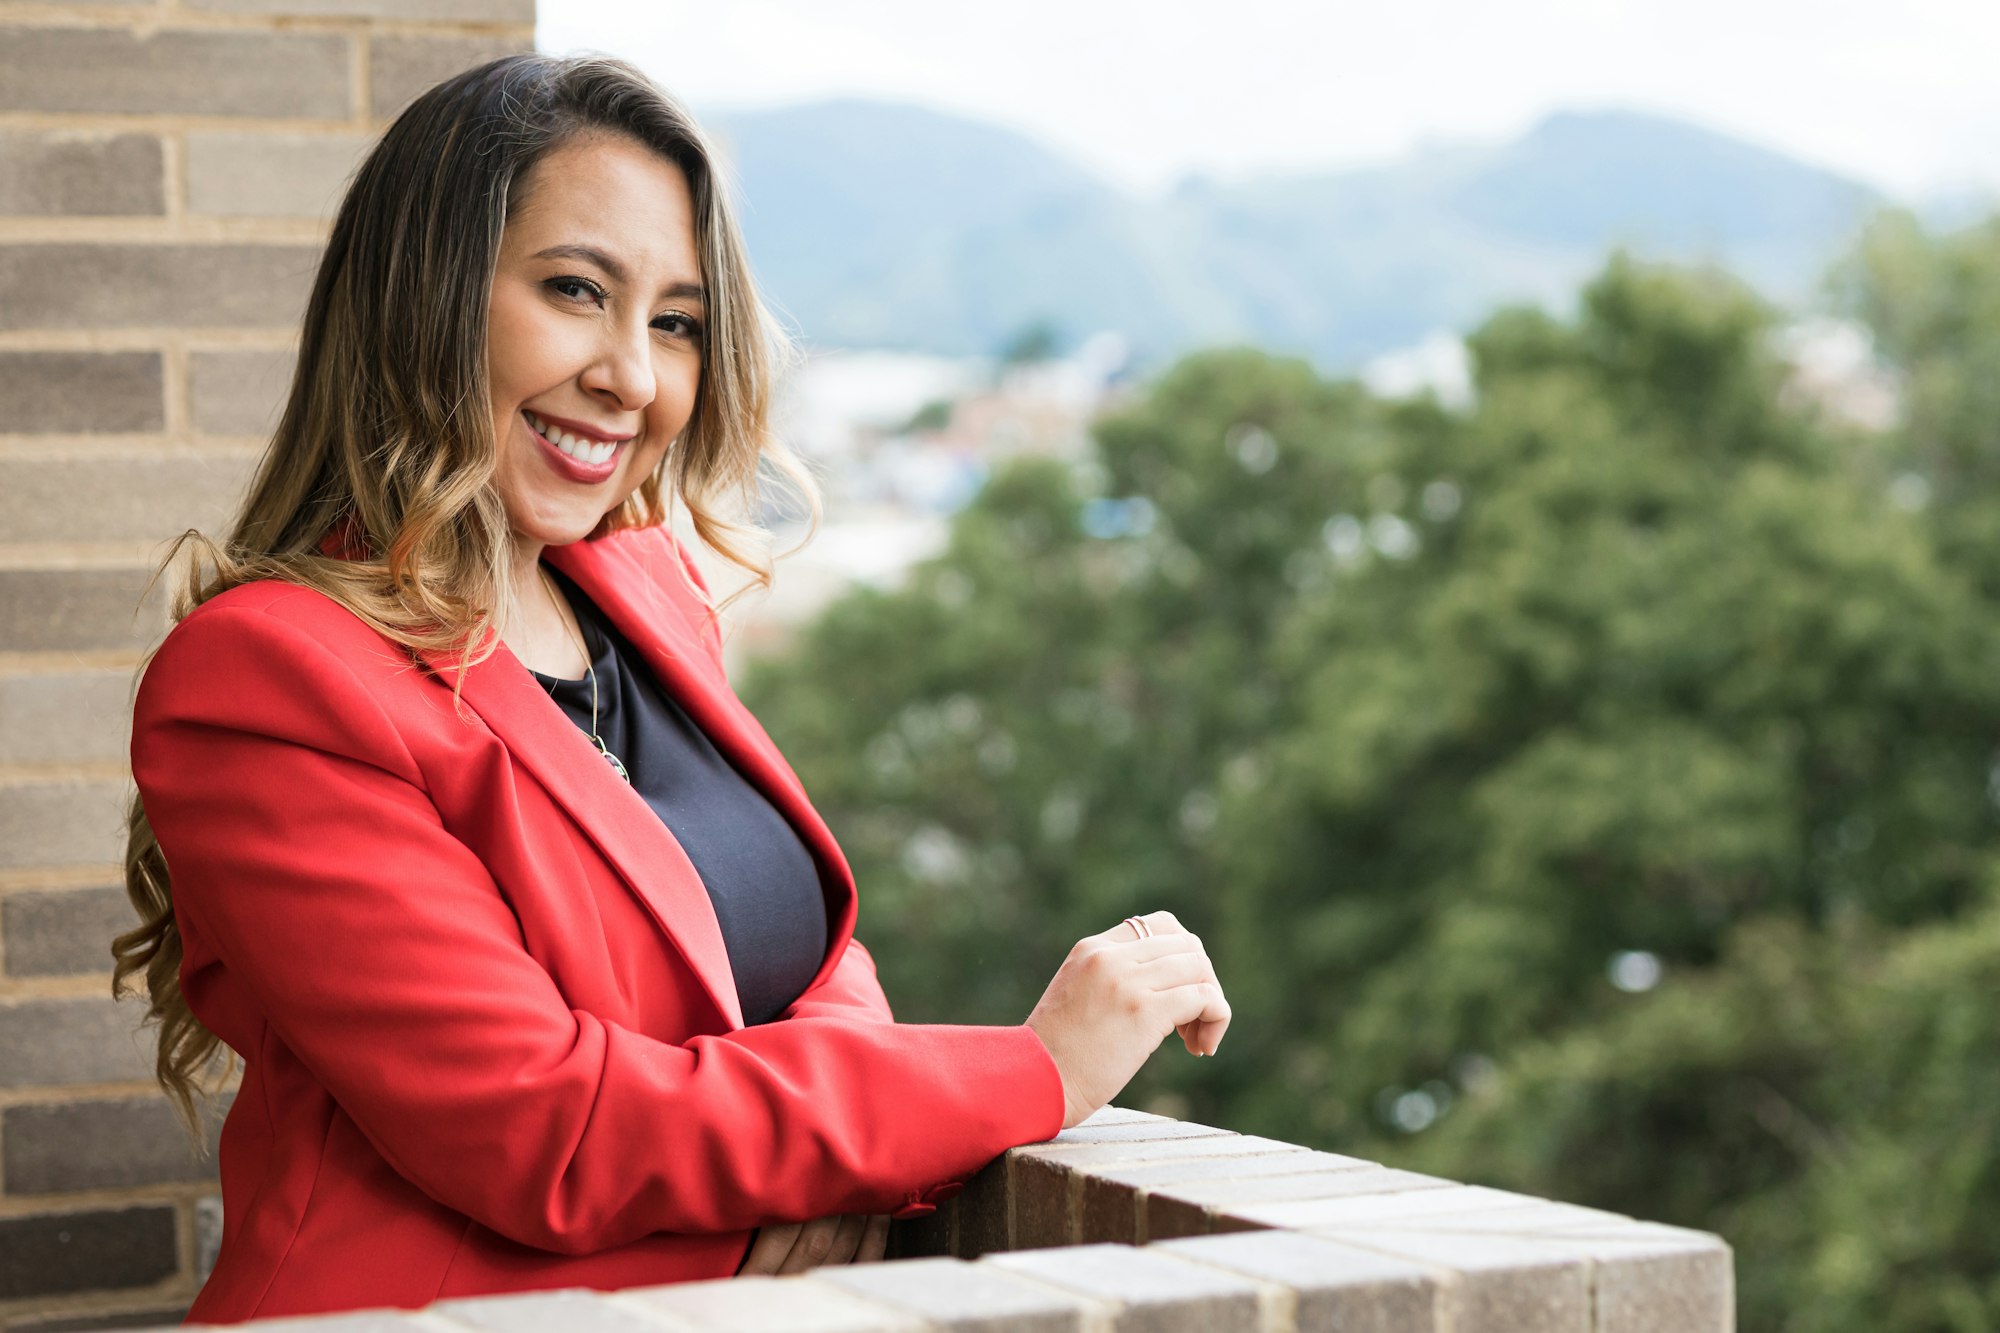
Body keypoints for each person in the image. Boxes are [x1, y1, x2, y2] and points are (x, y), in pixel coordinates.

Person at [114, 53, 1230, 1325]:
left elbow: (810, 956)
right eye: (575, 291)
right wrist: (1031, 1072)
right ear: (422, 300)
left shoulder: (645, 590)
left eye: (676, 322)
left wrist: (842, 1142)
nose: (632, 377)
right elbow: (544, 1126)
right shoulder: (266, 678)